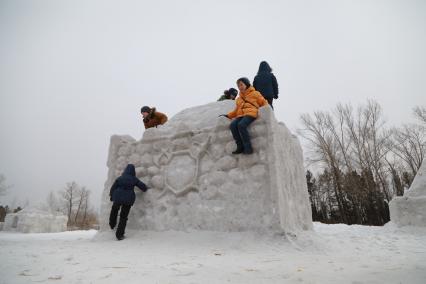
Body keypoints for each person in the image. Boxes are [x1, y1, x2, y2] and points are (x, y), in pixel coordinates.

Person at [221, 77, 268, 155]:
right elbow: (236, 110)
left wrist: (268, 111)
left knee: (241, 125)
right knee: (233, 125)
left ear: (246, 84)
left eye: (241, 85)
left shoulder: (255, 93)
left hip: (251, 113)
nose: (240, 87)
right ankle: (240, 147)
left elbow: (263, 102)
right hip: (241, 115)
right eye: (238, 86)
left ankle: (248, 148)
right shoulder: (239, 98)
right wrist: (228, 115)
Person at [109, 164, 148, 240]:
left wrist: (111, 196)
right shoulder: (134, 179)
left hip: (117, 197)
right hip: (128, 199)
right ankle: (119, 235)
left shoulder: (120, 178)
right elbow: (142, 186)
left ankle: (112, 224)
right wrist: (146, 188)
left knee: (114, 210)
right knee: (123, 217)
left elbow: (113, 187)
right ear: (133, 171)